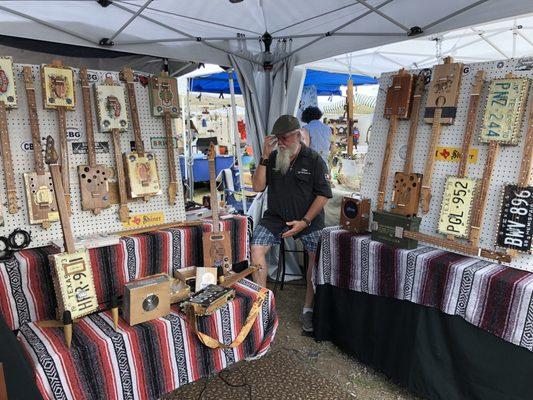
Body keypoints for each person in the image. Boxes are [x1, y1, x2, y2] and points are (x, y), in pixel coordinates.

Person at [251, 115, 332, 333]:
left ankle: (308, 308)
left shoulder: (314, 160)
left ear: (298, 134)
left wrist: (305, 221)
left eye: (285, 138)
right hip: (276, 217)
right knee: (256, 249)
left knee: (316, 260)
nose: (282, 142)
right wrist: (264, 157)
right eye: (278, 139)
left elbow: (323, 195)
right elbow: (258, 187)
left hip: (308, 219)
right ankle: (262, 308)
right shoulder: (274, 156)